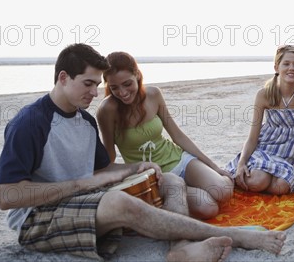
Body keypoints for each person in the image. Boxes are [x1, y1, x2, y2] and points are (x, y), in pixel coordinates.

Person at [0, 43, 286, 262]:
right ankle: (237, 236)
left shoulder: (83, 122)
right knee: (121, 203)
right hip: (38, 219)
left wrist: (134, 168)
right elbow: (6, 196)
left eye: (97, 85)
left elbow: (101, 169)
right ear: (63, 78)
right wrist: (81, 184)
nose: (96, 93)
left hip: (79, 201)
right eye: (89, 84)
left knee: (172, 181)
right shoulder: (31, 122)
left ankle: (179, 248)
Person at [97, 51, 234, 220]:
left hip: (179, 160)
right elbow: (109, 156)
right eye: (114, 87)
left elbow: (177, 135)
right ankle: (186, 192)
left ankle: (207, 180)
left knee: (223, 191)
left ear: (137, 75)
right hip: (154, 177)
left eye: (127, 84)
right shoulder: (107, 110)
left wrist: (214, 166)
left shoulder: (154, 95)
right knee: (208, 208)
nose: (122, 92)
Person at [226, 45, 294, 195]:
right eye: (286, 64)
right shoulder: (264, 95)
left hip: (287, 156)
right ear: (276, 67)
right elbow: (252, 137)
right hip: (264, 150)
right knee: (257, 181)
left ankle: (264, 180)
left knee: (281, 187)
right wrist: (241, 163)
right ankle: (246, 175)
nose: (291, 68)